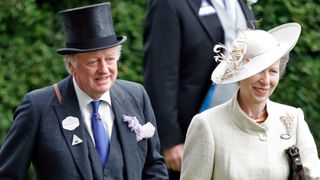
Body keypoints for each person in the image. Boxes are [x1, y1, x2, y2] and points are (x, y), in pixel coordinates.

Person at [0, 2, 168, 179]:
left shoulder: (136, 95)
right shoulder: (37, 107)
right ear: (71, 66)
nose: (104, 69)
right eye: (93, 62)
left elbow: (153, 166)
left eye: (110, 59)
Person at [181, 22, 320, 179]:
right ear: (240, 74)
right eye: (259, 71)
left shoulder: (293, 119)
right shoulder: (207, 125)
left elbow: (313, 176)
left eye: (273, 71)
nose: (266, 81)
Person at [143, 0, 255, 178]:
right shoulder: (168, 4)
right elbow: (161, 73)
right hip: (191, 131)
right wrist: (169, 140)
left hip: (239, 128)